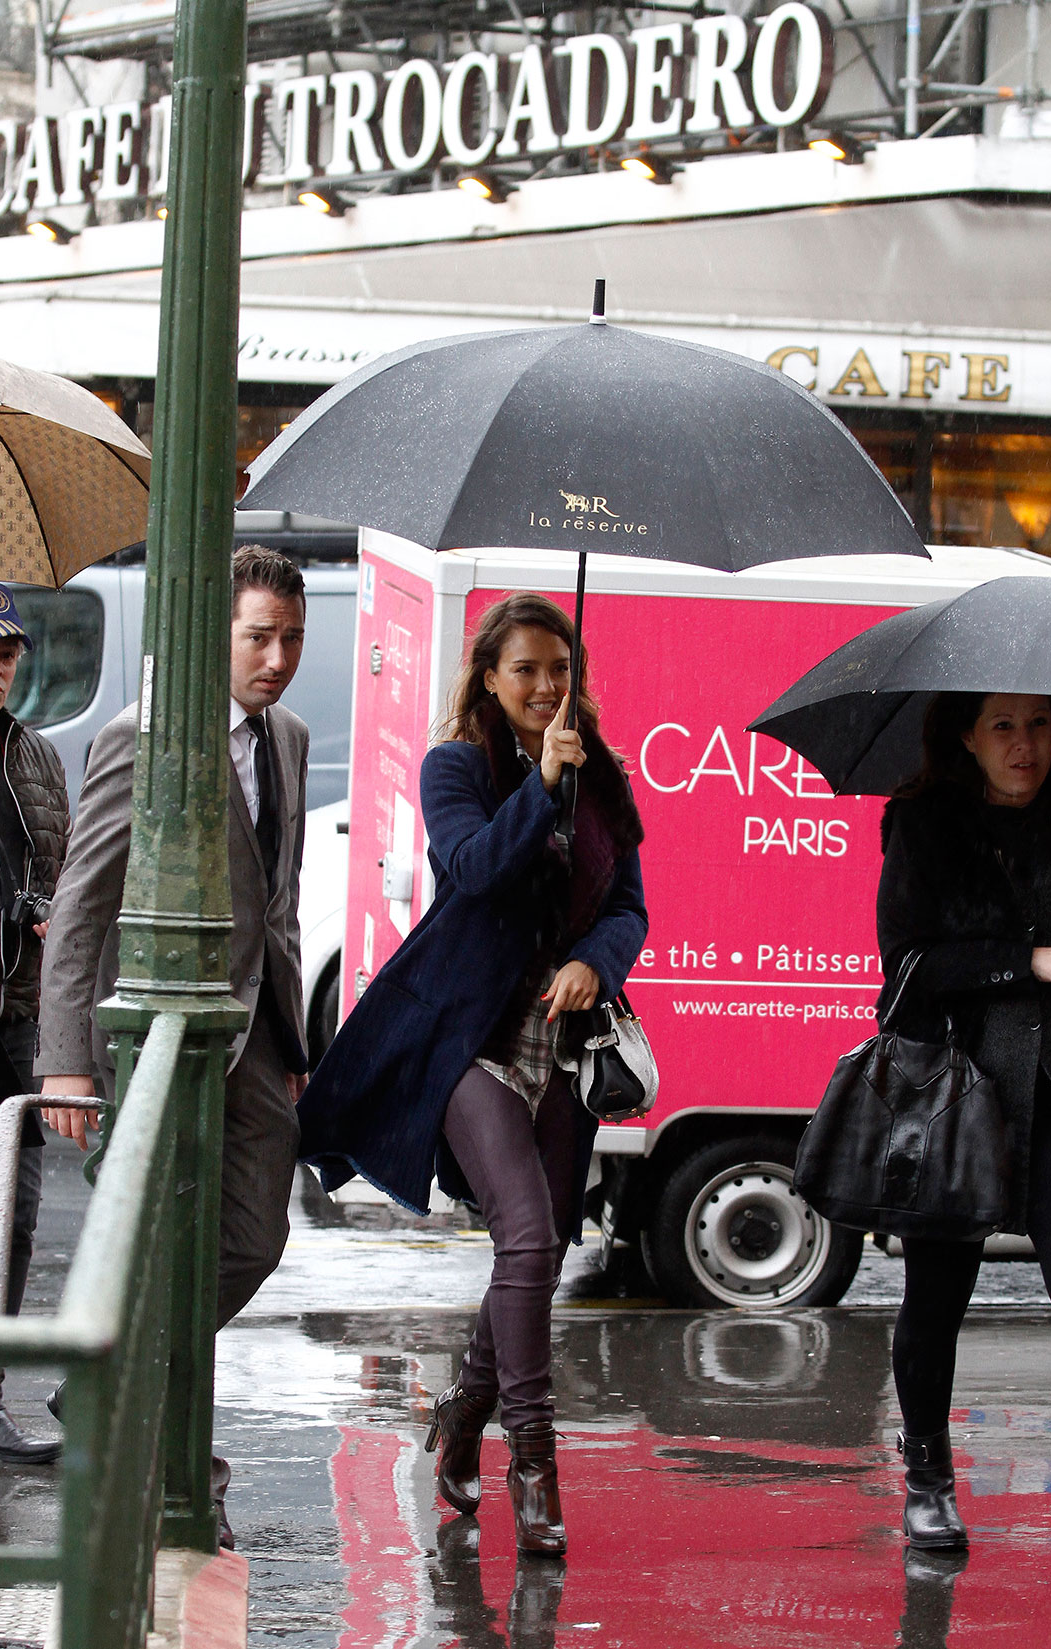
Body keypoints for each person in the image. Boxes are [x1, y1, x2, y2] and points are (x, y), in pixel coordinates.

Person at [297, 593, 647, 1557]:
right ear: (489, 677)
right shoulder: (458, 767)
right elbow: (474, 868)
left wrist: (598, 963)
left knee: (542, 1246)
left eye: (558, 669)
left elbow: (629, 904)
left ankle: (461, 1411)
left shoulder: (603, 775)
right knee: (527, 1239)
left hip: (563, 1042)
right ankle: (533, 1459)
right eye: (525, 668)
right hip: (469, 1037)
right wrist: (538, 785)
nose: (545, 686)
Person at [35, 545, 311, 1548]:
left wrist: (293, 1034)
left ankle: (106, 1376)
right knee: (160, 1246)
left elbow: (279, 903)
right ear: (214, 640)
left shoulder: (287, 735)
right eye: (257, 638)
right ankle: (168, 1451)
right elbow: (81, 902)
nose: (276, 658)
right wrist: (65, 1058)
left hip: (253, 1039)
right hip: (153, 1041)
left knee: (257, 1239)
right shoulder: (142, 734)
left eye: (291, 639)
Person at [877, 691, 1051, 1563]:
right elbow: (906, 966)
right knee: (937, 1298)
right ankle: (928, 1482)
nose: (1024, 744)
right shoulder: (925, 821)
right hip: (959, 1088)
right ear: (966, 735)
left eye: (1039, 724)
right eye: (1002, 725)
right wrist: (1028, 961)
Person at [0, 581, 69, 1464]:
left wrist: (49, 910)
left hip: (16, 1019)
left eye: (4, 654)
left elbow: (65, 867)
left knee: (14, 1213)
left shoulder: (34, 757)